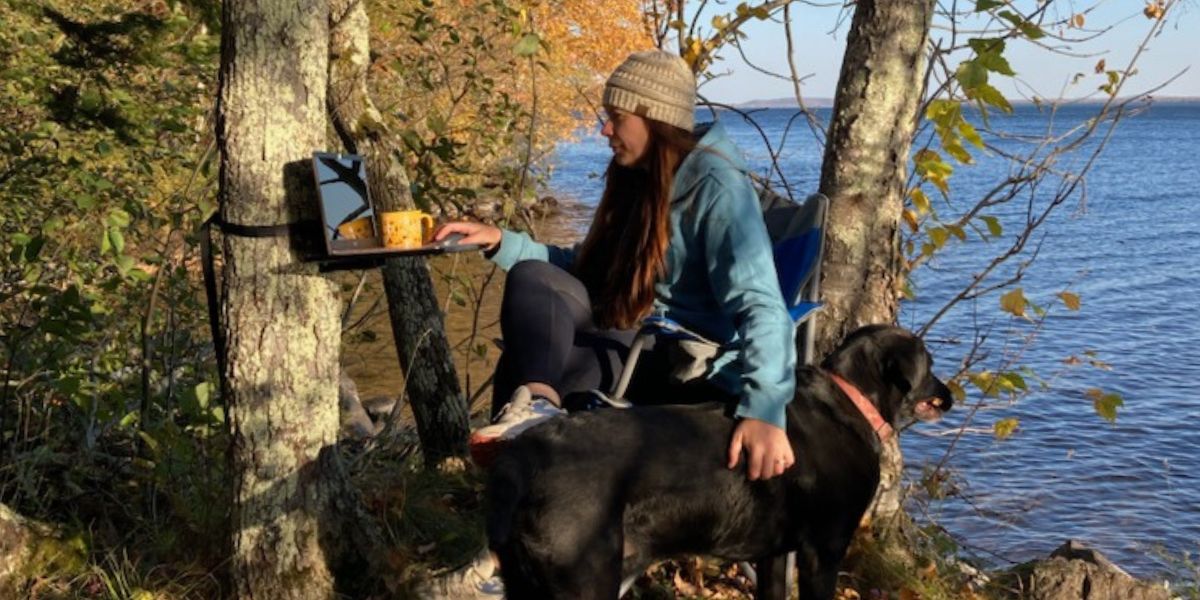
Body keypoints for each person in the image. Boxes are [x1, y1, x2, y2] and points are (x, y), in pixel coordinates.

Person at [436, 49, 796, 479]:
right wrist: (502, 242)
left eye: (617, 117)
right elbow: (584, 267)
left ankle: (516, 488)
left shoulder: (718, 188)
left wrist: (766, 410)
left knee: (532, 361)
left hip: (673, 359)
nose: (605, 130)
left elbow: (762, 305)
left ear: (656, 120)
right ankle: (530, 432)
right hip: (625, 334)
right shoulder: (637, 176)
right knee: (531, 284)